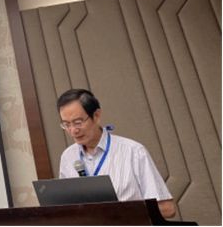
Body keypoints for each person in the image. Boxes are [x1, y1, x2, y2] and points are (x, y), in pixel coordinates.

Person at [57, 88, 176, 219]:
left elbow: (167, 209)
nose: (73, 130)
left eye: (78, 122)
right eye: (66, 124)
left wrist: (117, 211)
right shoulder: (68, 157)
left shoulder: (133, 151)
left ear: (96, 116)